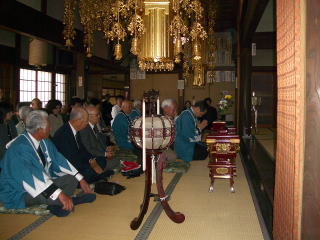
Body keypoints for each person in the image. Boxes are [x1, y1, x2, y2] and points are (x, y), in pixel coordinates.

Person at [0, 110, 95, 217]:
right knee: (43, 194)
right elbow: (32, 179)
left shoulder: (43, 140)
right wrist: (60, 194)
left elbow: (59, 160)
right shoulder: (19, 148)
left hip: (41, 180)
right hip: (18, 191)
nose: (50, 128)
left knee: (71, 179)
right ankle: (70, 201)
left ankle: (57, 204)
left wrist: (80, 179)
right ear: (40, 129)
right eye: (48, 126)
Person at [53, 107, 113, 184]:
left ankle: (96, 175)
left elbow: (83, 150)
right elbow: (71, 160)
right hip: (69, 168)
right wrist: (89, 166)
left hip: (80, 162)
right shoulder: (63, 135)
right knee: (87, 172)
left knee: (100, 160)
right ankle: (96, 176)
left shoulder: (75, 130)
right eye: (86, 121)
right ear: (78, 120)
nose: (88, 123)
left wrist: (92, 160)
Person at [79, 105, 119, 171]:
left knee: (116, 156)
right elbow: (88, 149)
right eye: (97, 115)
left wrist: (106, 149)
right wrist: (105, 154)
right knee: (117, 161)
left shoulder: (93, 126)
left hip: (99, 154)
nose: (99, 116)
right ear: (89, 116)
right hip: (92, 159)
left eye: (99, 114)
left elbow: (99, 142)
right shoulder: (84, 129)